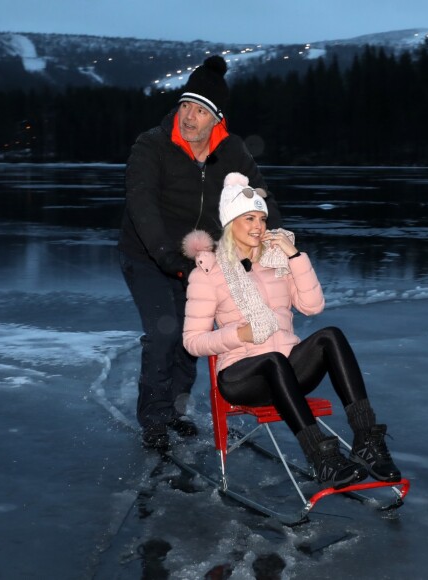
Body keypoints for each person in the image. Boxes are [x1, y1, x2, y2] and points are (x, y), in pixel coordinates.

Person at [182, 172, 402, 488]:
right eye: (248, 218)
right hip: (243, 376)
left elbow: (312, 306)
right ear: (231, 223)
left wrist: (294, 257)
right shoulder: (209, 271)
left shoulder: (277, 261)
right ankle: (322, 458)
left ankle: (367, 440)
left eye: (261, 218)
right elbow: (192, 341)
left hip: (289, 367)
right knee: (272, 360)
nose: (258, 226)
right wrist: (238, 335)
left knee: (331, 336)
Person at [119, 56, 282, 451]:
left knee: (193, 339)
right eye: (186, 106)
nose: (189, 117)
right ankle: (155, 418)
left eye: (201, 110)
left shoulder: (233, 152)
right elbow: (143, 206)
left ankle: (176, 410)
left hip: (202, 261)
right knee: (166, 331)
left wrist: (271, 240)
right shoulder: (151, 145)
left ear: (217, 120)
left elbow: (260, 199)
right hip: (148, 256)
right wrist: (165, 255)